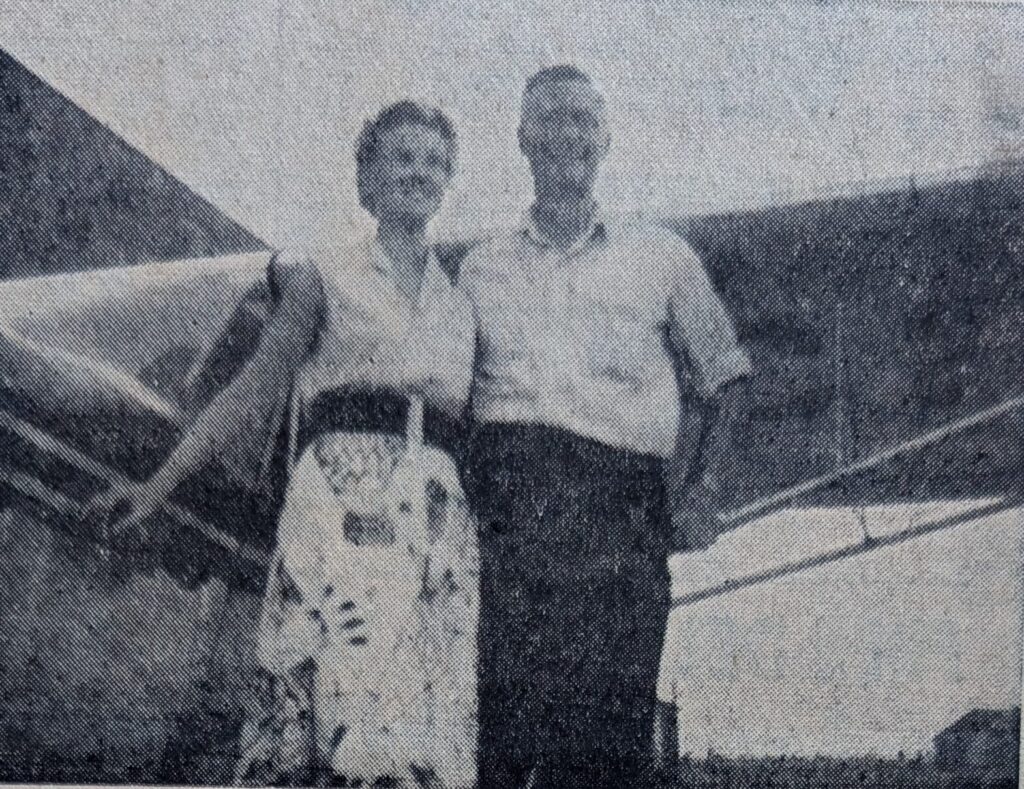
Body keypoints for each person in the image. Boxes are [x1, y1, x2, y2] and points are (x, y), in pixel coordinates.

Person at [87, 101, 478, 788]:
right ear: (367, 181)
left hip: (435, 527)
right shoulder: (321, 275)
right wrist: (159, 484)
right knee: (331, 707)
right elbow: (253, 388)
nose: (419, 172)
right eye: (402, 157)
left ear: (447, 182)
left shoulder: (462, 300)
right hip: (340, 504)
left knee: (417, 731)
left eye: (434, 161)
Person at [458, 65, 751, 788]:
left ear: (607, 138)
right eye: (551, 118)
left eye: (584, 119)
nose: (569, 134)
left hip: (619, 515)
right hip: (508, 514)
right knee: (497, 743)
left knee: (605, 750)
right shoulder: (478, 268)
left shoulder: (662, 256)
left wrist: (703, 487)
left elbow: (727, 377)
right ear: (523, 137)